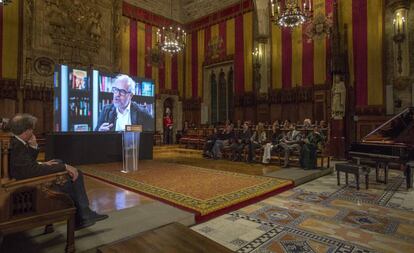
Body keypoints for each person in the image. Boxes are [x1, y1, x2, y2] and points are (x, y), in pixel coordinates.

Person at [8, 114, 108, 230]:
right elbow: (29, 171)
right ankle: (83, 215)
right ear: (27, 130)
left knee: (59, 163)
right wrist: (64, 167)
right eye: (32, 129)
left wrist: (36, 151)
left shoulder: (16, 141)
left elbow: (26, 165)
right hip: (27, 187)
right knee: (73, 174)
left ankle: (83, 214)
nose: (33, 132)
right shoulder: (17, 145)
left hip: (27, 178)